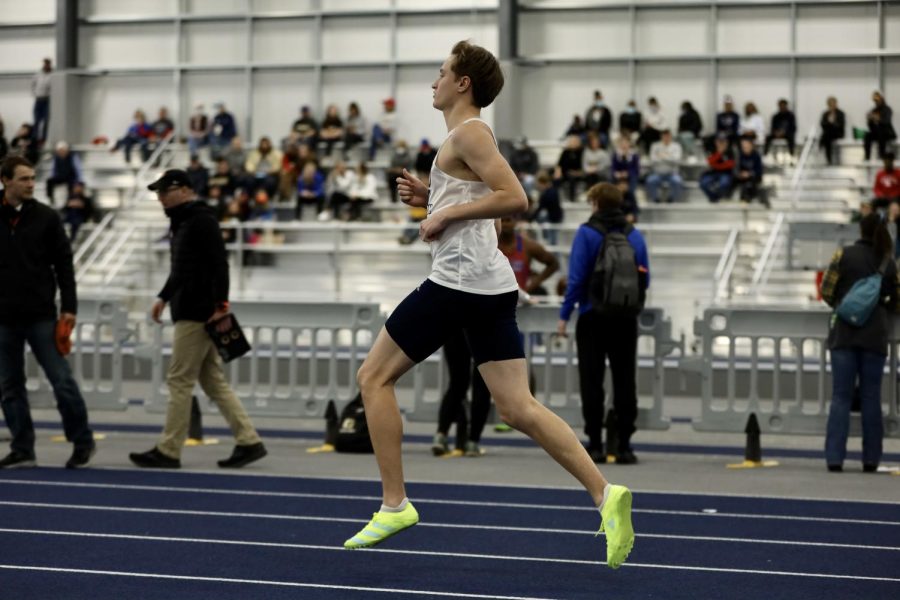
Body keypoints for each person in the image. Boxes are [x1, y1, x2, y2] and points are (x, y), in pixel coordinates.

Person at [343, 40, 634, 570]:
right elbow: (489, 213)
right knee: (516, 407)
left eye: (441, 73)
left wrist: (445, 216)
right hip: (490, 285)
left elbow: (515, 199)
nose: (432, 82)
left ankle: (394, 504)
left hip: (457, 283)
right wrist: (431, 196)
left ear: (463, 84)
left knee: (372, 378)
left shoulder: (470, 133)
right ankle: (604, 492)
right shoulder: (466, 141)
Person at [129, 169, 267, 470]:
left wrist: (221, 304)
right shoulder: (184, 221)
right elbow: (181, 269)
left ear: (186, 190)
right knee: (212, 381)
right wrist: (163, 298)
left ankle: (169, 449)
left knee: (179, 379)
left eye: (166, 191)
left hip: (197, 311)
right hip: (192, 307)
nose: (161, 197)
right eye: (159, 193)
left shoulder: (199, 220)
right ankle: (249, 440)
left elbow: (220, 264)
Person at [0, 155, 96, 469]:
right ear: (6, 181)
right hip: (4, 319)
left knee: (62, 381)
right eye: (24, 179)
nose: (31, 184)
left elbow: (64, 266)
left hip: (42, 315)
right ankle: (23, 448)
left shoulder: (48, 218)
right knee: (9, 386)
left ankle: (82, 441)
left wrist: (69, 308)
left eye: (32, 178)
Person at [558, 182, 649, 466]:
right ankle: (624, 445)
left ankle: (595, 444)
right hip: (625, 318)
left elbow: (576, 279)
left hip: (592, 316)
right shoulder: (634, 235)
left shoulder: (587, 233)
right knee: (625, 379)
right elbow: (644, 278)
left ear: (595, 203)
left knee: (592, 380)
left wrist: (564, 314)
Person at [820, 214, 898, 472]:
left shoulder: (843, 255)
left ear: (860, 230)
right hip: (875, 335)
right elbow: (898, 301)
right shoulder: (888, 262)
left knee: (841, 397)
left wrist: (846, 307)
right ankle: (871, 459)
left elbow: (826, 291)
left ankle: (834, 458)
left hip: (844, 334)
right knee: (871, 397)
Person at [645, 129, 683, 203]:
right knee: (650, 180)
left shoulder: (676, 146)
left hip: (672, 173)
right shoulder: (655, 145)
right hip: (657, 173)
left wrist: (662, 156)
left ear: (671, 136)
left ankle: (671, 199)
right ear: (661, 136)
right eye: (664, 136)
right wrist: (669, 157)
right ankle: (655, 199)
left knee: (677, 181)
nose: (666, 138)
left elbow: (677, 160)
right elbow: (653, 159)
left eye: (668, 136)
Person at [700, 135, 736, 203]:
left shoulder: (730, 150)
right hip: (713, 172)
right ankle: (713, 198)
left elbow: (730, 165)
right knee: (703, 183)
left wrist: (716, 165)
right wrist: (719, 153)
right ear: (715, 142)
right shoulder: (712, 149)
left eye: (723, 141)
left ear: (727, 142)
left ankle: (719, 198)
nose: (721, 143)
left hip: (726, 173)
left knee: (724, 183)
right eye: (719, 141)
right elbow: (710, 162)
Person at [864, 91, 896, 162]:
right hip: (877, 132)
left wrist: (878, 118)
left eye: (878, 100)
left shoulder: (887, 109)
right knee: (867, 135)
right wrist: (869, 120)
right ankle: (867, 156)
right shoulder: (874, 110)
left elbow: (886, 121)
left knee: (882, 134)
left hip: (887, 132)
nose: (876, 102)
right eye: (875, 101)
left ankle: (882, 156)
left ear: (882, 99)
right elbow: (871, 127)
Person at [734, 136, 766, 206]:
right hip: (742, 179)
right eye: (743, 146)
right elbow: (736, 169)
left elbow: (759, 170)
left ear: (751, 145)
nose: (744, 147)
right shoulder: (739, 155)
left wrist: (749, 174)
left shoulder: (756, 155)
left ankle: (754, 199)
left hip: (753, 178)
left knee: (750, 184)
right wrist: (740, 174)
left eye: (746, 146)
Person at [820, 97, 846, 166]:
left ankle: (821, 145)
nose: (832, 106)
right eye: (830, 104)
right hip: (828, 133)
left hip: (838, 133)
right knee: (827, 136)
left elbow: (841, 125)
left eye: (833, 104)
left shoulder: (841, 113)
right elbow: (823, 125)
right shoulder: (825, 114)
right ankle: (828, 159)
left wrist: (833, 122)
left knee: (826, 136)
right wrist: (829, 122)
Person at [31, 58, 51, 145]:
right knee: (36, 120)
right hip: (38, 99)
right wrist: (35, 94)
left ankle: (43, 138)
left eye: (47, 64)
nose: (46, 65)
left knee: (46, 120)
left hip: (47, 100)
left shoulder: (52, 75)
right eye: (45, 63)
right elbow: (33, 84)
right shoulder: (38, 74)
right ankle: (35, 138)